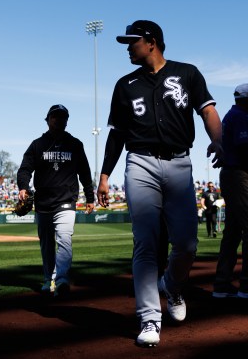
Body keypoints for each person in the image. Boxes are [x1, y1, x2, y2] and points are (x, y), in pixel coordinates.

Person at [96, 20, 223, 348]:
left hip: (180, 163)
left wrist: (219, 142)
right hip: (140, 163)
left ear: (151, 42)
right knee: (146, 243)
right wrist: (105, 175)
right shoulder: (125, 84)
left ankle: (174, 287)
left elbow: (208, 111)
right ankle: (149, 318)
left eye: (132, 41)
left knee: (187, 244)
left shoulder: (188, 73)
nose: (127, 47)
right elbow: (116, 135)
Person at [17, 104, 95, 298]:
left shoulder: (75, 144)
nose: (58, 120)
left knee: (64, 239)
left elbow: (85, 172)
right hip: (43, 202)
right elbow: (25, 169)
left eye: (62, 117)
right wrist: (23, 186)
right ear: (48, 120)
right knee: (46, 244)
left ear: (67, 121)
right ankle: (48, 279)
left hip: (66, 200)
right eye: (55, 117)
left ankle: (61, 280)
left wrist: (90, 197)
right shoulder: (38, 145)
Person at [212, 83, 248, 301]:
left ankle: (222, 284)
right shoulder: (238, 117)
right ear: (246, 99)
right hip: (238, 176)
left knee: (233, 232)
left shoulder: (232, 116)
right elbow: (245, 149)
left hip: (232, 175)